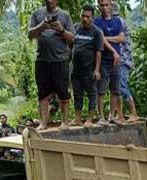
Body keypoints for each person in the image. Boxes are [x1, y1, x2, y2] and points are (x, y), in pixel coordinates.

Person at [28, 0, 76, 129]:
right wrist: (41, 26)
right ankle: (43, 123)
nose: (50, 1)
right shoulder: (37, 14)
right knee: (43, 93)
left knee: (63, 92)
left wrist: (61, 30)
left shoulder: (65, 15)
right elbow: (30, 35)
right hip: (42, 60)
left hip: (60, 60)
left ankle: (65, 122)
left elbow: (72, 38)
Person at [71, 5, 103, 127]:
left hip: (89, 70)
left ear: (92, 18)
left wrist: (97, 70)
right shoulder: (75, 28)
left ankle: (89, 119)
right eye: (83, 16)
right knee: (77, 95)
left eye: (87, 17)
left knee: (92, 94)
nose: (85, 19)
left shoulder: (97, 32)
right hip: (75, 70)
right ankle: (77, 118)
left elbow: (99, 52)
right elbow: (70, 45)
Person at [95, 0, 126, 122]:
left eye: (106, 5)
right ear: (99, 6)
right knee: (101, 90)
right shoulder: (97, 21)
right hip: (103, 60)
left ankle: (112, 115)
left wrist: (104, 37)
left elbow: (121, 38)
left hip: (116, 61)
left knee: (115, 89)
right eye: (102, 5)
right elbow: (100, 40)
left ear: (110, 6)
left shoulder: (117, 21)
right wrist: (113, 50)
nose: (104, 8)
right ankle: (101, 116)